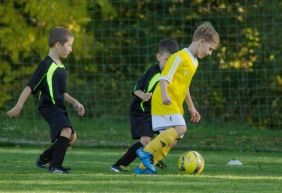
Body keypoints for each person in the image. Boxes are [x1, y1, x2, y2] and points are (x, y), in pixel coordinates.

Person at [135, 21, 220, 174]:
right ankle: (146, 151)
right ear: (201, 42)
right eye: (210, 48)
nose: (209, 53)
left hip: (174, 103)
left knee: (171, 141)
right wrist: (166, 95)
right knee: (181, 129)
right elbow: (163, 78)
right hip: (164, 100)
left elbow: (184, 85)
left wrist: (191, 107)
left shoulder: (194, 62)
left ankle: (143, 168)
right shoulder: (179, 57)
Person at [7, 27, 85, 174]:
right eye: (69, 45)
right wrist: (19, 106)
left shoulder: (60, 66)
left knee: (71, 137)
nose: (71, 49)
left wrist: (75, 102)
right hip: (49, 106)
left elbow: (61, 93)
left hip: (59, 106)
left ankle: (43, 159)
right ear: (58, 45)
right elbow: (30, 86)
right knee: (66, 131)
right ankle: (55, 166)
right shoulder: (46, 65)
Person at [111, 38, 179, 172]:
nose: (168, 63)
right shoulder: (152, 73)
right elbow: (136, 89)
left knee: (171, 138)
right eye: (166, 59)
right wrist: (143, 95)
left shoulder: (172, 75)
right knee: (146, 141)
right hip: (141, 111)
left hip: (157, 113)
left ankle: (154, 159)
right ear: (158, 57)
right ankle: (119, 165)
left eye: (172, 61)